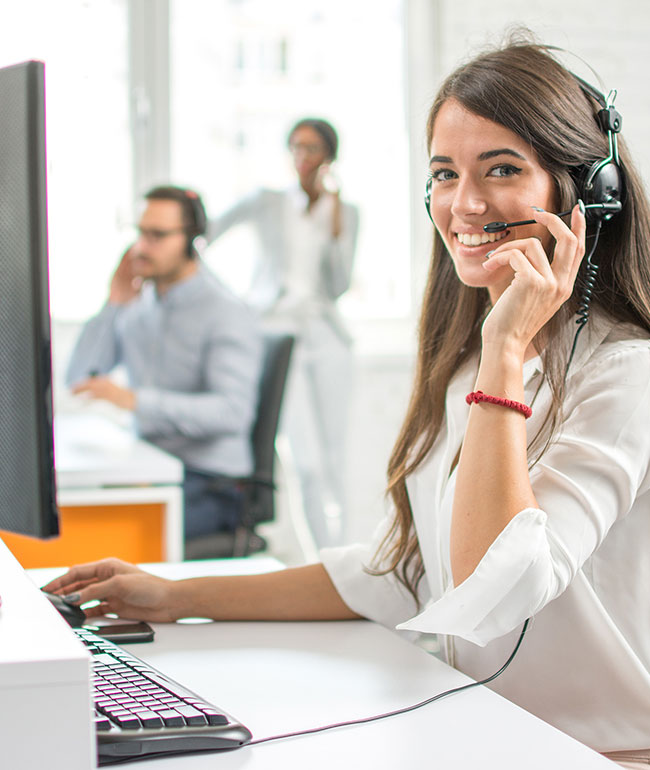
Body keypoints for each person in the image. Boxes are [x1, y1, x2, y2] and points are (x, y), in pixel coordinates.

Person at [47, 37, 650, 767]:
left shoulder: (622, 374)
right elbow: (410, 570)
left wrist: (505, 353)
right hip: (490, 733)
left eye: (502, 169)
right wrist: (175, 595)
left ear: (589, 192)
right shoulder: (469, 361)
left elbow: (502, 589)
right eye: (444, 173)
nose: (464, 203)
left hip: (604, 754)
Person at [66, 185, 263, 548]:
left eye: (157, 235)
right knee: (68, 520)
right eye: (140, 233)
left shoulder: (225, 312)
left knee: (103, 539)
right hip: (150, 469)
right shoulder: (139, 305)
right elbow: (78, 379)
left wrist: (136, 401)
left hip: (210, 482)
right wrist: (113, 304)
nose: (142, 247)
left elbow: (232, 412)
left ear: (191, 241)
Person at [205, 118, 360, 548]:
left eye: (310, 149)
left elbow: (339, 284)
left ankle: (342, 555)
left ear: (328, 156)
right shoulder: (267, 202)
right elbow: (206, 234)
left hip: (325, 336)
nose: (301, 158)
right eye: (295, 147)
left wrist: (334, 227)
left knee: (334, 457)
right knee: (304, 459)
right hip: (276, 333)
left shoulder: (345, 213)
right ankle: (318, 559)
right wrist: (237, 304)